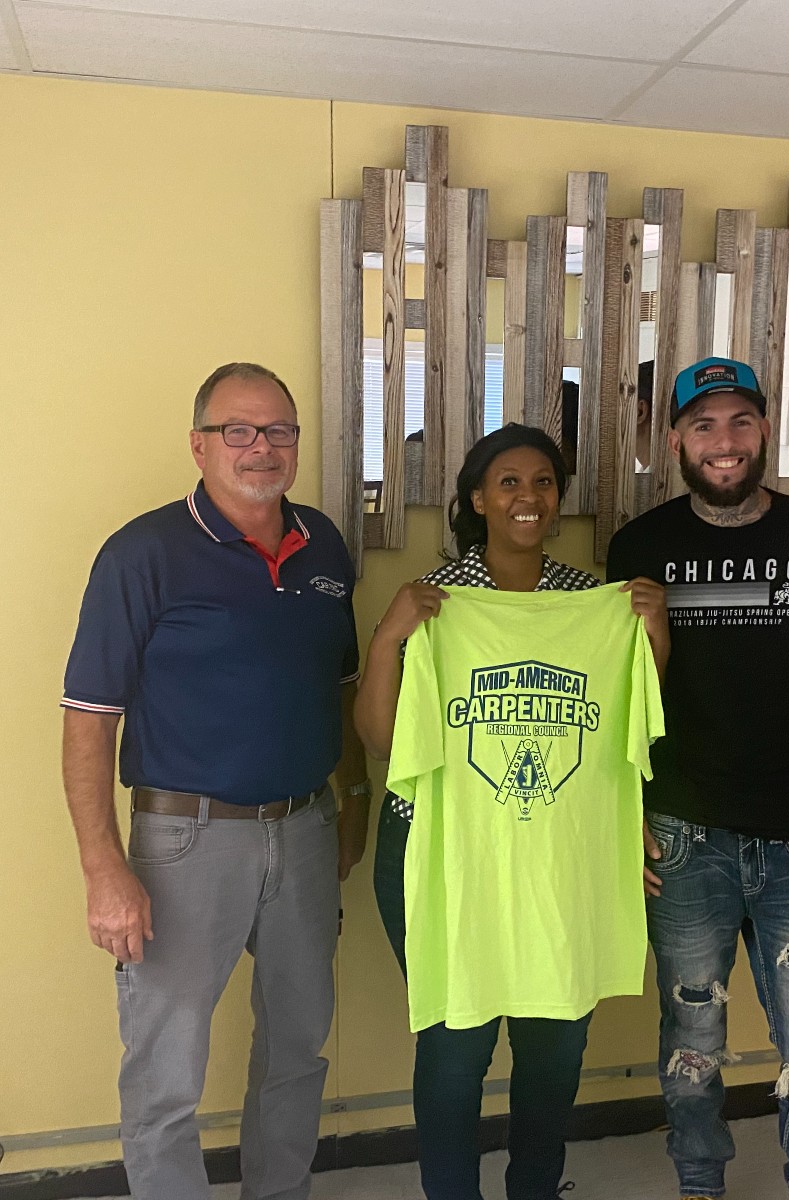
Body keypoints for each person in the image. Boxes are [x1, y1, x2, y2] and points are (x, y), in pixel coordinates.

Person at [61, 362, 371, 1200]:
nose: (260, 447)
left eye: (278, 431)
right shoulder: (142, 555)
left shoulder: (326, 545)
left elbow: (339, 693)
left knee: (298, 1048)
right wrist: (103, 869)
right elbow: (89, 719)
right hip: (182, 841)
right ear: (200, 444)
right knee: (166, 1072)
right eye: (238, 430)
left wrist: (351, 805)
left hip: (304, 831)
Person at [356, 422, 669, 1200]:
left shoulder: (592, 604)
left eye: (542, 482)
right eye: (508, 482)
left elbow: (629, 721)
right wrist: (390, 637)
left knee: (556, 1040)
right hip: (445, 850)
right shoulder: (435, 604)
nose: (527, 496)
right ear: (476, 499)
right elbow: (381, 741)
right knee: (455, 1043)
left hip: (557, 851)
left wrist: (652, 635)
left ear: (557, 500)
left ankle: (536, 1188)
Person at [606, 357, 789, 1200]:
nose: (724, 443)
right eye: (704, 425)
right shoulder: (639, 546)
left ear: (764, 431)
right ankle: (699, 1185)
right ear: (676, 439)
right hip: (683, 834)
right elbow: (616, 697)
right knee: (690, 1047)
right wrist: (627, 813)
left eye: (740, 423)